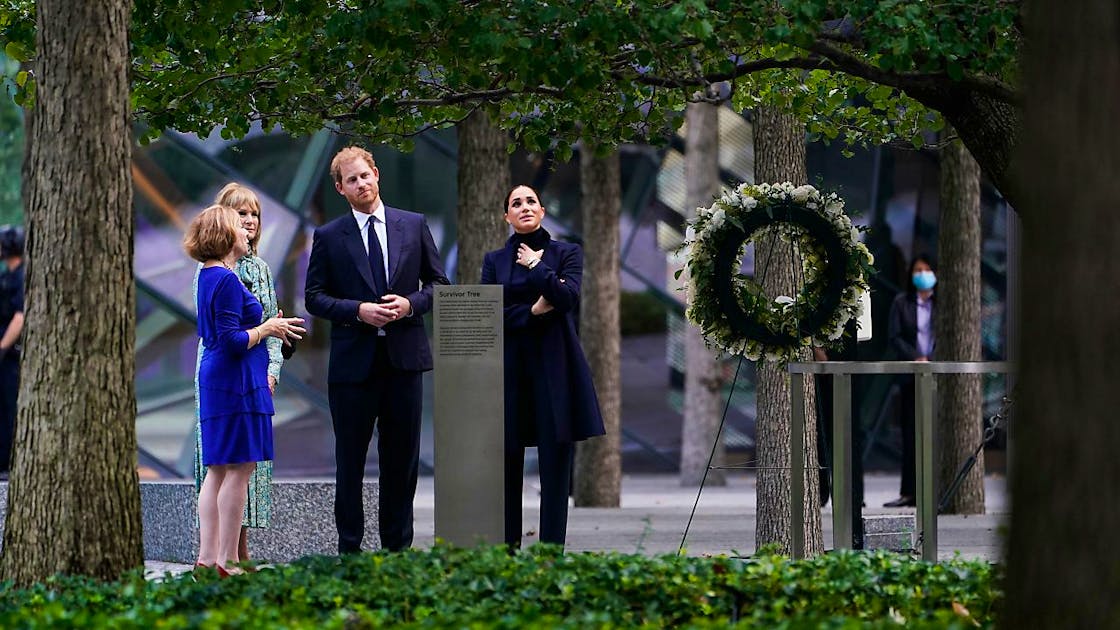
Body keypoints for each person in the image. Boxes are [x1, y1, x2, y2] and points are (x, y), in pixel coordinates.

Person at [305, 146, 448, 553]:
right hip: (353, 369)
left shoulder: (413, 224)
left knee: (401, 464)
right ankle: (349, 552)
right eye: (352, 180)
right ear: (341, 189)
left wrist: (410, 304)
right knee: (349, 464)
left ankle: (397, 552)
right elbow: (314, 297)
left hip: (404, 362)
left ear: (376, 174)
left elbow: (439, 284)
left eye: (365, 175)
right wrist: (358, 311)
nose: (361, 183)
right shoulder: (329, 236)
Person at [481, 185, 605, 549]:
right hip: (510, 371)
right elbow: (490, 315)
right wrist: (532, 312)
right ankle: (506, 552)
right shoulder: (494, 261)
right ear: (506, 216)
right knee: (506, 465)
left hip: (556, 370)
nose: (524, 207)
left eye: (530, 201)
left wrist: (536, 265)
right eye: (515, 203)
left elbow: (566, 298)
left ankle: (551, 554)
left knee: (555, 467)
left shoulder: (566, 252)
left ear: (542, 210)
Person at [184, 205, 305, 575]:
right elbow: (233, 341)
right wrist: (268, 328)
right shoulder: (224, 280)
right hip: (235, 382)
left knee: (218, 470)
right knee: (239, 469)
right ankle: (225, 560)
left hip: (222, 380)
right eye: (239, 224)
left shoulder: (211, 276)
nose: (248, 230)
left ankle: (208, 559)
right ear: (223, 235)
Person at [884, 254, 937, 508]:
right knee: (910, 433)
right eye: (918, 269)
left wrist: (932, 358)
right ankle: (909, 491)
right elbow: (894, 337)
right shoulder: (901, 302)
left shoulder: (943, 304)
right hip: (910, 374)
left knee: (934, 431)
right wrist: (916, 358)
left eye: (927, 269)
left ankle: (935, 489)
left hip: (937, 374)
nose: (923, 274)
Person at [0, 226, 23, 478]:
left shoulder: (21, 278)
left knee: (9, 408)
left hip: (10, 356)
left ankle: (8, 463)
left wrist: (2, 347)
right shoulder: (6, 276)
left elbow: (20, 317)